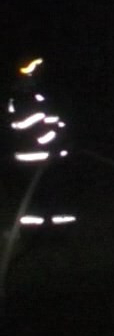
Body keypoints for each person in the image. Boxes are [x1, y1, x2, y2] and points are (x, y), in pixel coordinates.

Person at [7, 54, 77, 229]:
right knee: (38, 198)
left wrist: (61, 132)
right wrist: (56, 139)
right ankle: (36, 231)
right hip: (35, 156)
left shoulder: (39, 96)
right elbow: (30, 128)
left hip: (48, 156)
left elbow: (51, 120)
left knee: (52, 195)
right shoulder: (23, 99)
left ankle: (54, 227)